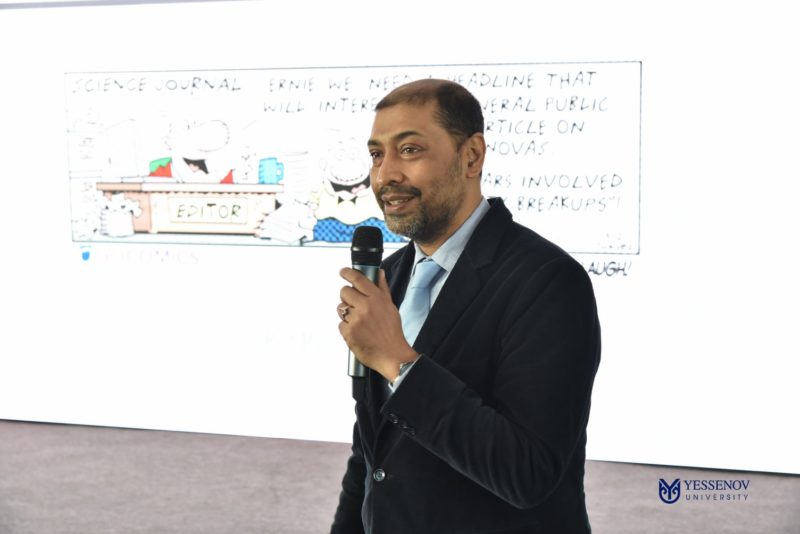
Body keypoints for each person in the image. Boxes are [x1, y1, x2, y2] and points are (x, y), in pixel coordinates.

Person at [332, 78, 601, 534]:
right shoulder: (389, 277)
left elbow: (528, 472)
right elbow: (373, 453)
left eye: (410, 150)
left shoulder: (548, 280)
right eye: (377, 154)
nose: (384, 175)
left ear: (471, 156)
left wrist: (397, 362)